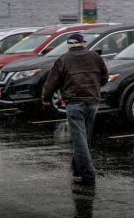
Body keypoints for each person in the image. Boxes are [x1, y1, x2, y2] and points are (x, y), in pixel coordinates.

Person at [42, 33, 108, 186]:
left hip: (74, 103)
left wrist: (46, 99)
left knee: (79, 140)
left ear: (69, 45)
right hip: (93, 102)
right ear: (82, 44)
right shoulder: (95, 57)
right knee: (84, 138)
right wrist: (94, 87)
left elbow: (52, 82)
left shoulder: (63, 59)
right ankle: (77, 169)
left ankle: (88, 174)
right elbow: (104, 77)